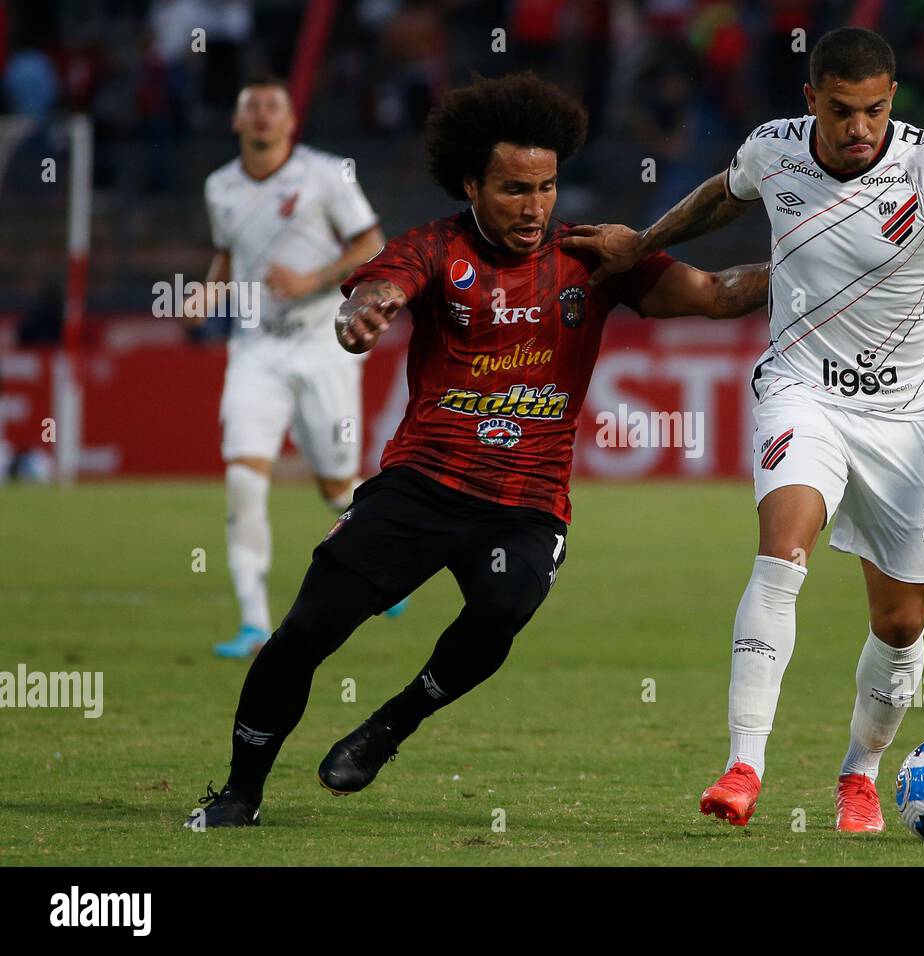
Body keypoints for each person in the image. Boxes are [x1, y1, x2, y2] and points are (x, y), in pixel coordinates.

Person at [564, 27, 924, 833]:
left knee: (900, 626)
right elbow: (724, 196)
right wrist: (643, 243)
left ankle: (859, 773)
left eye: (872, 110)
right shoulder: (774, 150)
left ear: (891, 100)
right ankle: (743, 765)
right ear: (810, 103)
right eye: (840, 112)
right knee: (781, 548)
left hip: (904, 422)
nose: (858, 128)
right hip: (801, 392)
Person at [185, 71, 770, 828]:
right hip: (421, 486)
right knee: (303, 635)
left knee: (502, 607)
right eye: (513, 190)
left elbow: (717, 292)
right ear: (471, 182)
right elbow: (378, 288)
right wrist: (367, 312)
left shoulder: (593, 259)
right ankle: (238, 794)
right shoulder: (434, 247)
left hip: (524, 505)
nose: (534, 209)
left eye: (547, 187)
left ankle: (391, 724)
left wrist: (810, 270)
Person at [185, 74, 397, 661]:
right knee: (243, 476)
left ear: (289, 121)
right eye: (249, 106)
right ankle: (254, 621)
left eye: (271, 106)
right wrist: (207, 294)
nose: (260, 115)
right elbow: (228, 253)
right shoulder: (220, 186)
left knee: (335, 484)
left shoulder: (326, 175)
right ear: (235, 121)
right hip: (255, 347)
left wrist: (309, 280)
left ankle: (386, 556)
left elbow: (371, 244)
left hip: (324, 342)